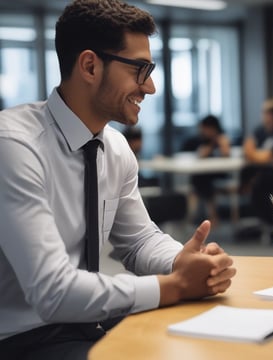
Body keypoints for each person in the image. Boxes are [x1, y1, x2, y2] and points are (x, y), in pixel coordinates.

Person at [0, 1, 236, 359]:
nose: (151, 87)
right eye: (140, 70)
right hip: (23, 337)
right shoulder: (14, 146)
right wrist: (171, 287)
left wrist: (185, 261)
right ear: (90, 66)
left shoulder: (114, 147)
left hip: (90, 322)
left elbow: (138, 240)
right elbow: (52, 292)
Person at [183, 115, 231, 225]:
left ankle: (197, 216)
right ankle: (208, 215)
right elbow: (200, 154)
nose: (203, 131)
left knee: (199, 181)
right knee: (199, 179)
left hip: (220, 173)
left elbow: (226, 154)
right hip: (205, 174)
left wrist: (218, 143)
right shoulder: (201, 140)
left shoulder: (222, 139)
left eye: (205, 128)